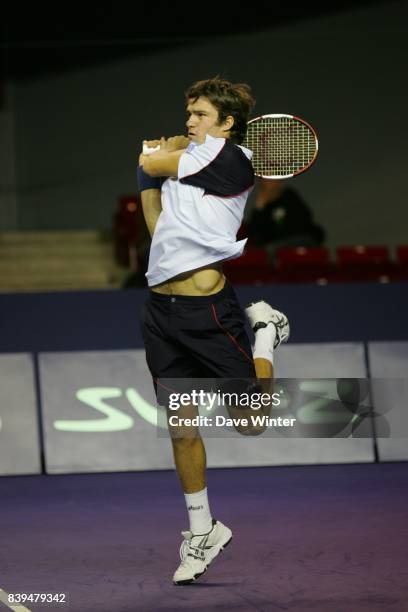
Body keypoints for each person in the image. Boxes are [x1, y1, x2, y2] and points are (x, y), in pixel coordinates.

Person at [137, 77, 290, 585]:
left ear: (226, 123)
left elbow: (152, 161)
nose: (190, 121)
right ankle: (202, 530)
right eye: (189, 113)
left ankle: (264, 330)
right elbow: (157, 224)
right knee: (180, 426)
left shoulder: (230, 160)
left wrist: (161, 153)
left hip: (209, 313)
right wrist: (151, 175)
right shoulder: (189, 166)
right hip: (162, 311)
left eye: (200, 114)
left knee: (251, 422)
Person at [245, 178, 326, 263]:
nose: (265, 184)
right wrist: (258, 209)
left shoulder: (289, 197)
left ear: (279, 182)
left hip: (300, 238)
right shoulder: (263, 208)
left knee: (271, 249)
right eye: (263, 181)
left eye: (270, 180)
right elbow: (253, 233)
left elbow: (301, 223)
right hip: (277, 243)